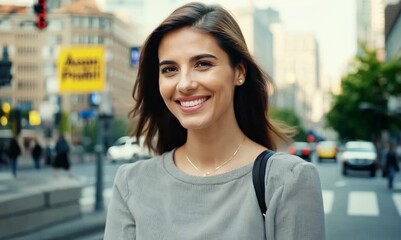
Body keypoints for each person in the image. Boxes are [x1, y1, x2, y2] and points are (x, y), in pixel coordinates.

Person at [104, 2, 325, 239]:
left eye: (202, 64)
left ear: (239, 72)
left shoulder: (288, 180)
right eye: (170, 69)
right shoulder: (131, 183)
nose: (184, 84)